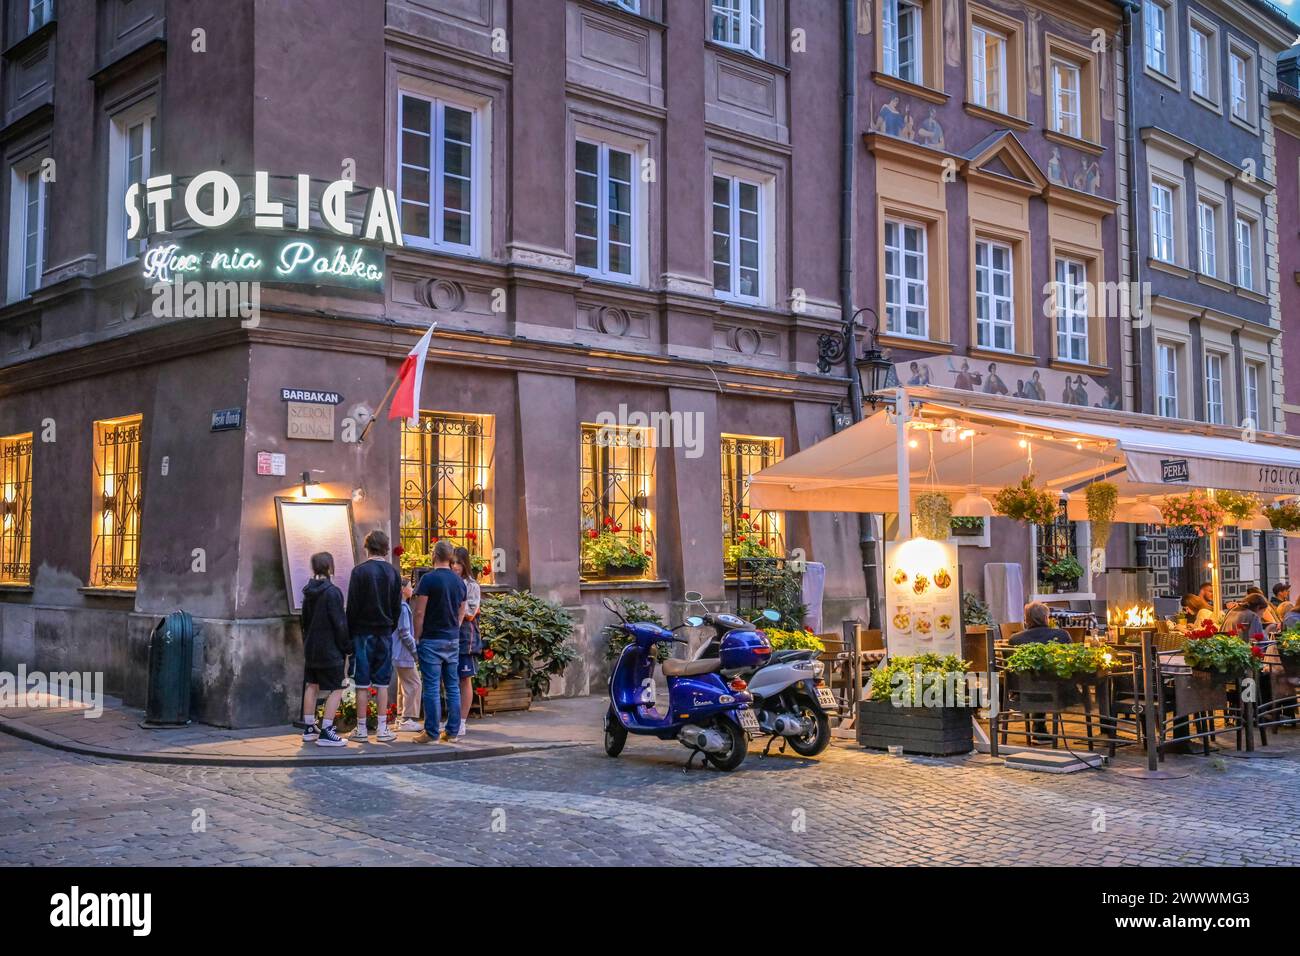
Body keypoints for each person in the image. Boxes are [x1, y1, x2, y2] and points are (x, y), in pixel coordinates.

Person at [346, 530, 404, 743]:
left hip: (362, 633)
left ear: (366, 547)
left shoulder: (359, 572)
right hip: (384, 632)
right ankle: (382, 728)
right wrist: (390, 627)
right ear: (386, 548)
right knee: (381, 683)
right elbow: (397, 606)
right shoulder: (392, 572)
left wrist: (350, 634)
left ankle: (361, 729)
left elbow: (351, 607)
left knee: (361, 682)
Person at [412, 540, 467, 743]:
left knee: (432, 686)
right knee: (452, 685)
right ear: (450, 557)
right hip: (452, 638)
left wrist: (417, 635)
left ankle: (432, 732)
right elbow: (462, 610)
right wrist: (455, 627)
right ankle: (452, 731)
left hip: (432, 638)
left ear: (434, 555)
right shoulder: (458, 581)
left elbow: (419, 611)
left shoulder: (428, 580)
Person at [300, 552, 351, 748]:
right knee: (338, 687)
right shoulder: (332, 592)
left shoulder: (308, 592)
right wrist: (346, 646)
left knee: (312, 685)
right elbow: (339, 623)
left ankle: (309, 727)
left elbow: (304, 621)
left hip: (312, 647)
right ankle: (327, 730)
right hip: (329, 649)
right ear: (330, 567)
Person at [453, 546, 483, 732]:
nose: (455, 566)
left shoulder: (471, 585)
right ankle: (454, 719)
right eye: (452, 562)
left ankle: (462, 721)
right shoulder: (448, 581)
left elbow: (471, 613)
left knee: (465, 678)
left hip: (465, 636)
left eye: (458, 562)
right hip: (449, 634)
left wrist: (455, 611)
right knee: (450, 678)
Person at [392, 578, 421, 732]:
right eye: (410, 586)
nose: (412, 588)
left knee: (404, 685)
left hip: (398, 652)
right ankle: (407, 719)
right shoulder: (403, 608)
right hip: (403, 652)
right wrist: (415, 651)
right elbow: (405, 632)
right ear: (403, 589)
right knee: (415, 684)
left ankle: (401, 718)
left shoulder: (399, 606)